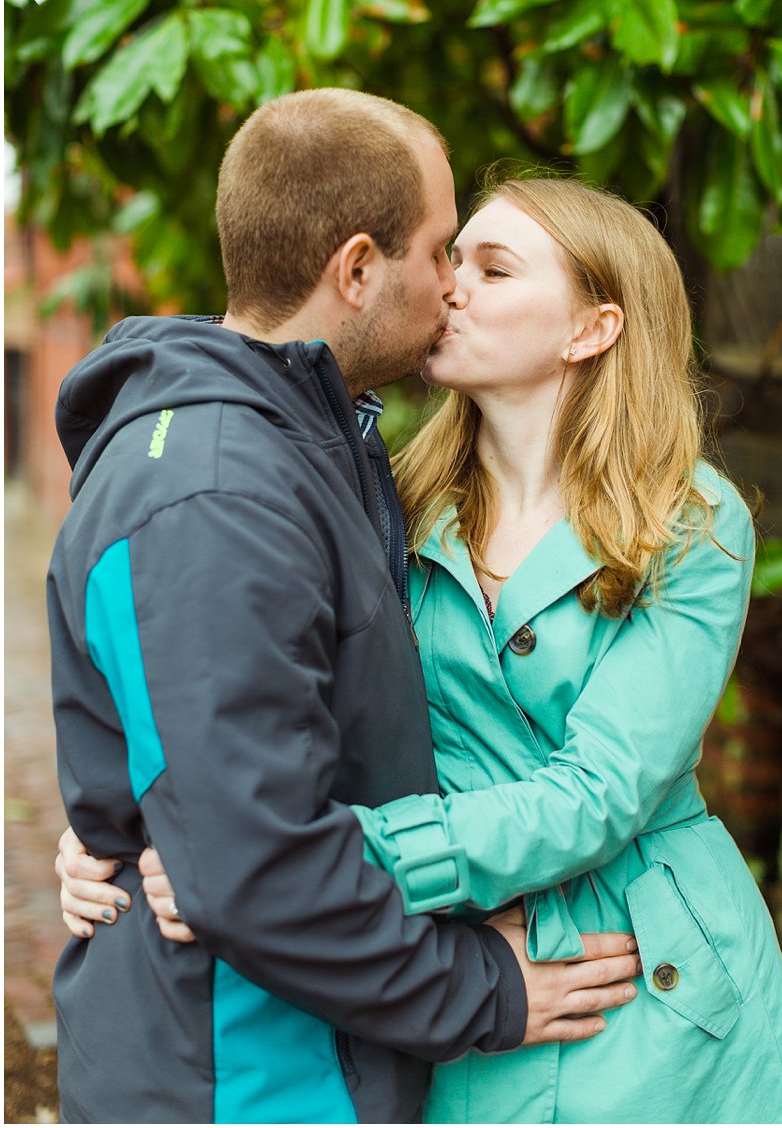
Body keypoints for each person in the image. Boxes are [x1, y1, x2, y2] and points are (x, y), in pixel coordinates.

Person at [60, 170, 782, 1124]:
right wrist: (152, 821)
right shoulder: (388, 492)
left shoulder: (689, 518)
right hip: (464, 960)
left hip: (646, 970)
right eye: (451, 257)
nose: (450, 286)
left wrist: (304, 856)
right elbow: (269, 691)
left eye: (493, 268)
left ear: (592, 328)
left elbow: (601, 789)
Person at [46, 90, 641, 1126]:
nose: (452, 283)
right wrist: (485, 989)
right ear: (357, 268)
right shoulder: (217, 495)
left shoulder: (319, 438)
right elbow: (251, 866)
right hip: (245, 1075)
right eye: (441, 250)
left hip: (313, 1047)